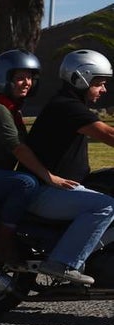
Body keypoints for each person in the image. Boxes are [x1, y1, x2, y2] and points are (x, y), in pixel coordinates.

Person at [0, 49, 107, 284]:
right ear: (4, 78)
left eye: (30, 78)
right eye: (20, 78)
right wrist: (49, 177)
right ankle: (3, 239)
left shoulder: (10, 109)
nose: (27, 83)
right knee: (25, 182)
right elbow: (19, 148)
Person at [23, 49, 114, 281]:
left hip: (62, 188)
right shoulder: (67, 107)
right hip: (44, 192)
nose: (104, 89)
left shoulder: (70, 105)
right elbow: (108, 135)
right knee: (104, 206)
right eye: (99, 83)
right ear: (81, 78)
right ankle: (63, 263)